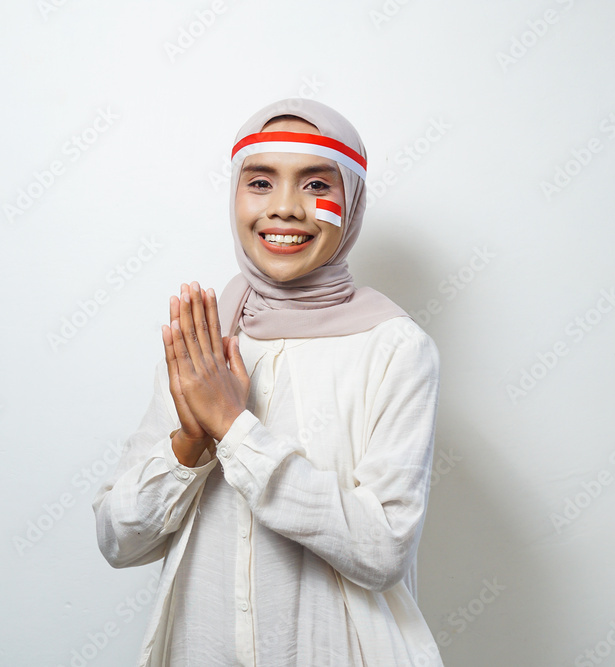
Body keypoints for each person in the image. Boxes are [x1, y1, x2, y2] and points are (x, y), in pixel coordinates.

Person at [92, 99, 443, 666]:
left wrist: (233, 427)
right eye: (260, 182)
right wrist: (190, 444)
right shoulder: (202, 343)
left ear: (351, 203)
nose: (284, 208)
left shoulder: (393, 349)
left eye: (314, 185)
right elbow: (119, 540)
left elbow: (383, 548)